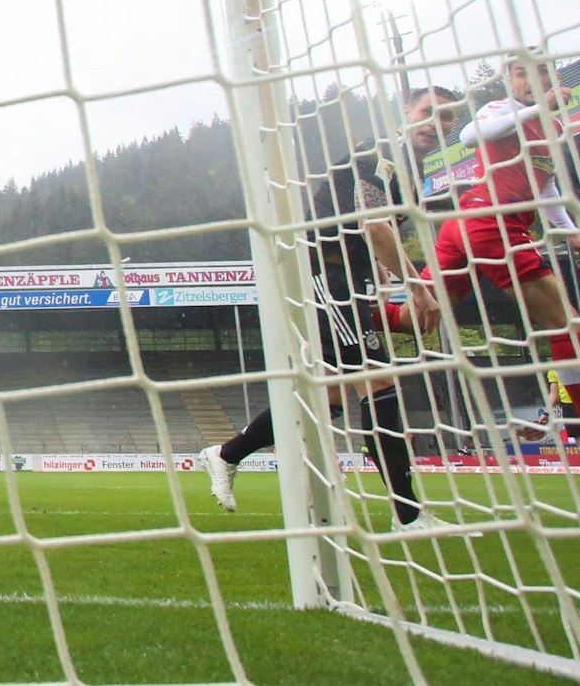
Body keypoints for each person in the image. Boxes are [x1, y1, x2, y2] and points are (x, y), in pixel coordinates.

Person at [200, 87, 468, 532]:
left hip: (349, 277)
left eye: (446, 119)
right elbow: (375, 226)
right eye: (428, 112)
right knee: (377, 379)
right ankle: (408, 515)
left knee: (327, 398)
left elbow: (371, 236)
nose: (435, 124)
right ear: (407, 112)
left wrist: (381, 287)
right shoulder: (381, 155)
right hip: (324, 273)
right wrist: (416, 288)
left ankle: (226, 453)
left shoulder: (410, 171)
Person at [424, 56, 580, 475]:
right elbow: (468, 135)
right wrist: (539, 106)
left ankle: (340, 308)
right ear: (511, 81)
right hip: (491, 220)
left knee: (413, 317)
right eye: (521, 74)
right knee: (568, 326)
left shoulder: (551, 129)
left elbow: (545, 182)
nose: (530, 82)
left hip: (471, 223)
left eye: (540, 76)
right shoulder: (502, 109)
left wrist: (569, 229)